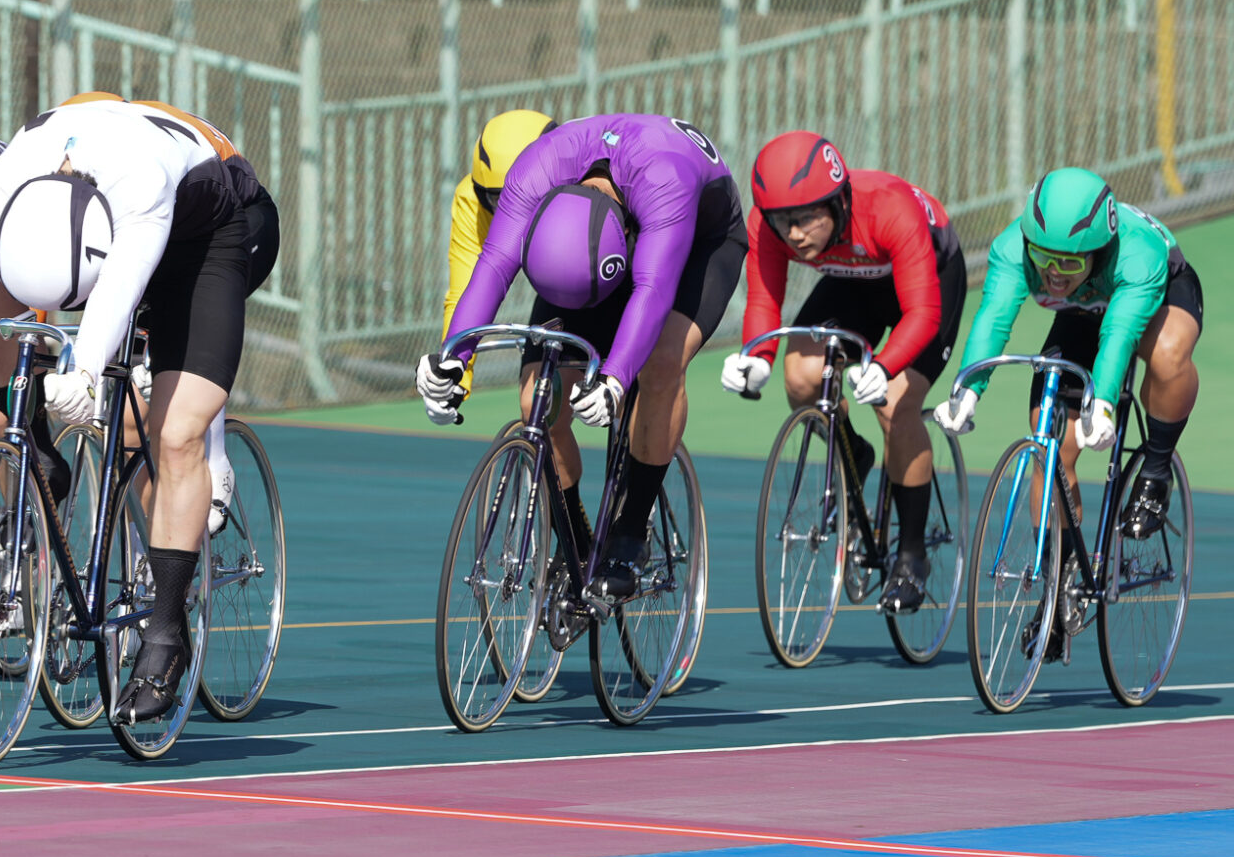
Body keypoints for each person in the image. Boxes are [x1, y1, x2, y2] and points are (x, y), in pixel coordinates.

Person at [0, 94, 279, 724]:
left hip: (215, 233)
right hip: (109, 223)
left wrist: (85, 369)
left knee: (175, 433)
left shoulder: (138, 179)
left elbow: (118, 292)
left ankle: (166, 636)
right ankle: (110, 476)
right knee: (124, 429)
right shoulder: (4, 182)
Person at [418, 114, 747, 597]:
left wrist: (614, 377)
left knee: (658, 366)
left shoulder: (664, 182)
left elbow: (653, 290)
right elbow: (493, 264)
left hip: (700, 242)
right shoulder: (536, 170)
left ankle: (631, 532)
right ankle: (575, 540)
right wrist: (454, 356)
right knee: (539, 400)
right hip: (585, 242)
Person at [936, 167, 1203, 657]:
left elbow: (1119, 334)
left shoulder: (1135, 256)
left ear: (1098, 250)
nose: (1053, 272)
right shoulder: (1012, 248)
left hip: (1153, 296)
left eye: (1068, 261)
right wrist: (966, 390)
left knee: (1164, 356)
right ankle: (1057, 589)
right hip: (1082, 312)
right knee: (1050, 451)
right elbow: (994, 316)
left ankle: (1158, 468)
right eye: (1044, 259)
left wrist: (1101, 403)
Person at [722, 131, 966, 613]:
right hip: (853, 279)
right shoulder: (769, 224)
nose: (791, 234)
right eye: (780, 221)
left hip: (925, 277)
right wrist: (757, 358)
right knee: (800, 375)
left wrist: (888, 366)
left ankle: (913, 554)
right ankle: (854, 451)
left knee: (895, 402)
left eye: (803, 219)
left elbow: (922, 314)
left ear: (838, 201)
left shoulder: (889, 208)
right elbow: (764, 299)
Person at [439, 110, 558, 397]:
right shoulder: (472, 201)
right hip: (558, 295)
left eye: (527, 195)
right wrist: (454, 376)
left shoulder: (586, 191)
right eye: (499, 198)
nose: (512, 210)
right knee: (536, 407)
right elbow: (464, 293)